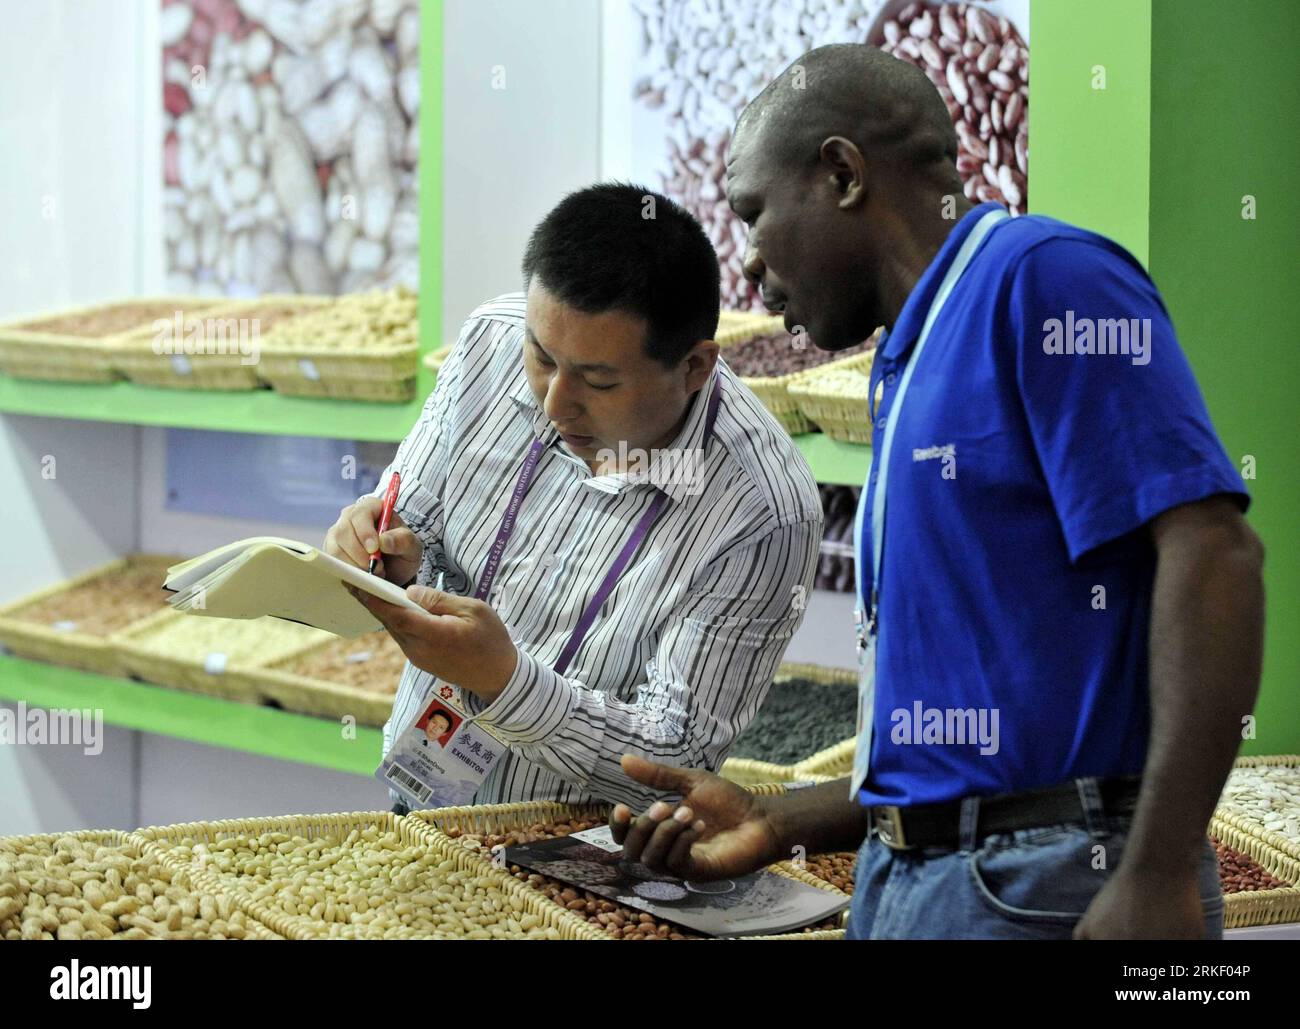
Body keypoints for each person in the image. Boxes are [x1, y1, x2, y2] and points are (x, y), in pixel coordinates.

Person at [609, 45, 1265, 941]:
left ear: (841, 173)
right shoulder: (903, 362)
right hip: (923, 883)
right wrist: (787, 817)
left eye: (754, 216)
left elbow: (1216, 554)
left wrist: (1153, 873)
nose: (749, 266)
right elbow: (981, 736)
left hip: (1048, 887)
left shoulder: (1042, 279)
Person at [325, 183, 823, 812]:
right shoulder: (490, 344)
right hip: (423, 810)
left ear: (694, 368)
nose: (556, 403)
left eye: (599, 380)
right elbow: (410, 519)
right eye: (541, 357)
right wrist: (387, 555)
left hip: (588, 870)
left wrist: (504, 683)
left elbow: (677, 760)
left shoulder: (764, 511)